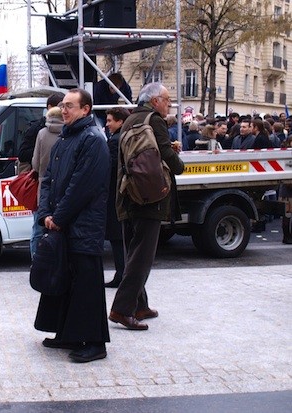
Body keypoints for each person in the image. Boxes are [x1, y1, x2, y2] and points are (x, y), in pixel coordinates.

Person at [34, 88, 110, 363]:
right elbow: (48, 179)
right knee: (65, 281)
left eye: (70, 106)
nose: (64, 110)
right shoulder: (65, 139)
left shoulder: (93, 140)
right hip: (62, 224)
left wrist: (59, 217)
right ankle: (68, 333)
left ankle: (94, 342)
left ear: (86, 109)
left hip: (83, 226)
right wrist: (45, 213)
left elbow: (82, 187)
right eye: (63, 106)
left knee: (87, 285)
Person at [109, 83, 184, 330]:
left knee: (134, 251)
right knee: (142, 256)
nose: (169, 104)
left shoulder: (131, 119)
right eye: (166, 99)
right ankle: (122, 309)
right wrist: (179, 164)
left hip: (128, 193)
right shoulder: (155, 120)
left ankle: (140, 305)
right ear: (154, 101)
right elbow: (164, 154)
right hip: (149, 198)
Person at [30, 106, 64, 257]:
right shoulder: (68, 134)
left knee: (38, 228)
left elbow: (35, 164)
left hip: (44, 186)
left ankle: (37, 261)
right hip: (63, 188)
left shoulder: (42, 134)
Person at [104, 107, 130, 288]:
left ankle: (121, 274)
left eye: (110, 121)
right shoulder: (127, 137)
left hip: (115, 195)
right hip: (124, 194)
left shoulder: (115, 141)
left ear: (120, 121)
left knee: (117, 238)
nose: (107, 124)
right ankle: (123, 274)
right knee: (122, 238)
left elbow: (110, 168)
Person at [17, 92, 65, 173]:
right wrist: (40, 150)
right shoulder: (38, 129)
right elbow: (23, 154)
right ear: (50, 107)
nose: (64, 111)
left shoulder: (70, 127)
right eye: (60, 107)